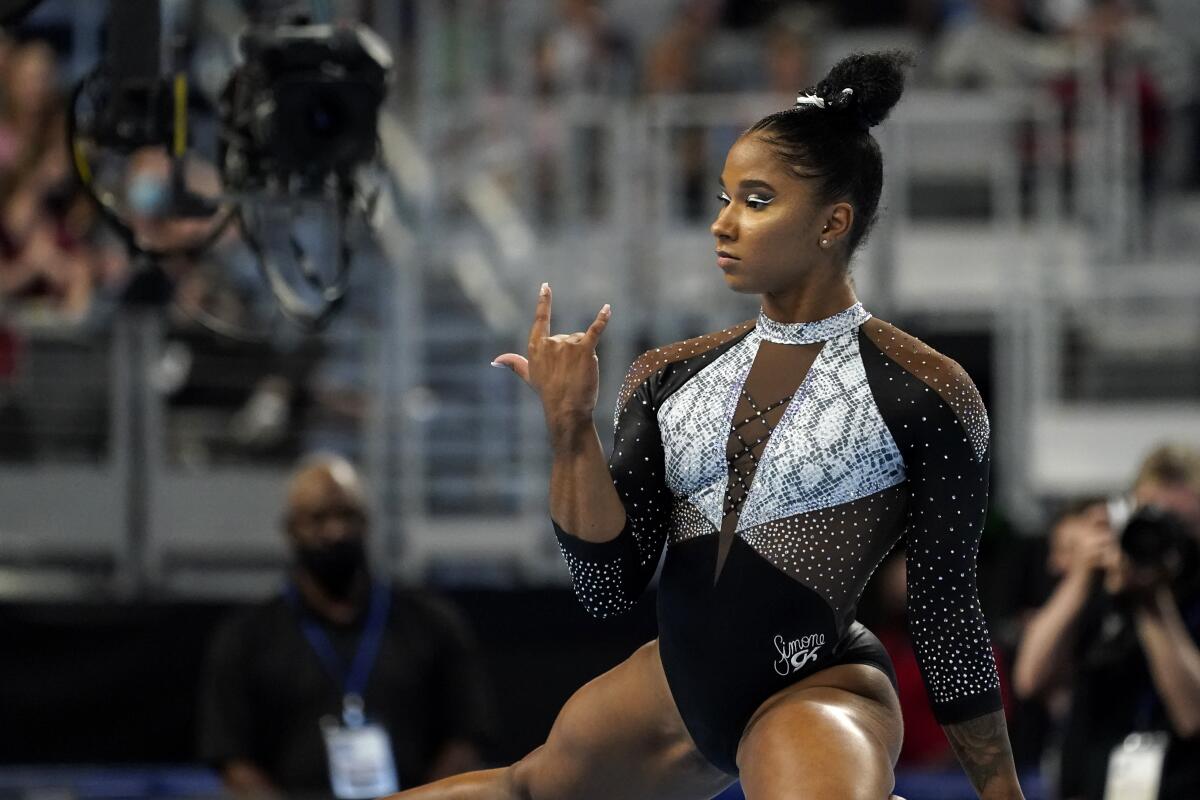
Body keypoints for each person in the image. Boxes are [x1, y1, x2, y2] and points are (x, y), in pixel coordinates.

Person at [388, 51, 1025, 800]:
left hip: (816, 687)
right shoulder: (668, 376)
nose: (721, 222)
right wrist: (570, 431)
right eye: (724, 197)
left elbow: (945, 612)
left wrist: (1003, 792)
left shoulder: (925, 390)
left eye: (755, 201)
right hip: (679, 689)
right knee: (527, 789)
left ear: (833, 222)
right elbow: (607, 585)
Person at [199, 455, 495, 798]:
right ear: (291, 528)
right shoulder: (246, 637)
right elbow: (233, 759)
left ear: (366, 523)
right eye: (318, 518)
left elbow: (466, 737)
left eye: (347, 516)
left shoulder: (432, 624)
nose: (336, 531)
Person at [1013, 444, 1200, 799]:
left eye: (1183, 524)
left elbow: (1193, 717)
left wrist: (1152, 601)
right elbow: (1030, 679)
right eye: (1152, 518)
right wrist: (1081, 577)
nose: (1164, 535)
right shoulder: (1102, 588)